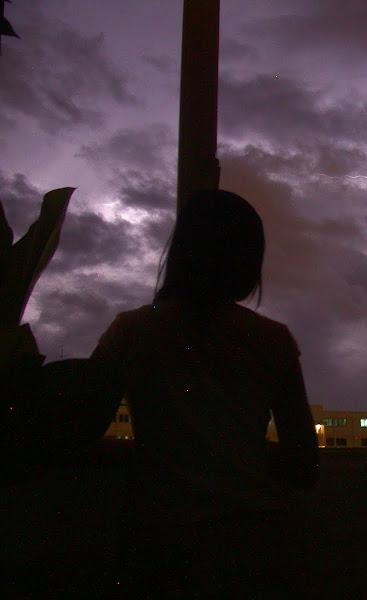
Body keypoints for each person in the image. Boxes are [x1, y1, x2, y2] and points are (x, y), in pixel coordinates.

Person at [91, 189, 319, 597]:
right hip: (259, 541)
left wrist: (159, 454)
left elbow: (76, 431)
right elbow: (303, 463)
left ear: (180, 252)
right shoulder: (273, 340)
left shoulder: (131, 331)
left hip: (161, 538)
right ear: (249, 260)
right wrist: (237, 455)